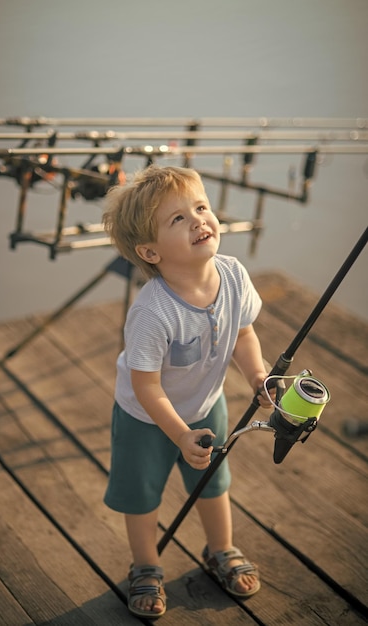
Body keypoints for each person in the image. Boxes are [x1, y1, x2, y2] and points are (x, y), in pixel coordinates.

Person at [102, 164, 273, 619]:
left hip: (206, 403)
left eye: (201, 207)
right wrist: (179, 434)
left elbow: (243, 335)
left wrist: (257, 377)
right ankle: (145, 566)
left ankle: (221, 549)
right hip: (146, 418)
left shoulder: (233, 275)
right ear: (150, 252)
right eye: (178, 218)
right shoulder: (153, 313)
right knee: (141, 497)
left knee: (212, 483)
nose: (199, 220)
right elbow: (147, 385)